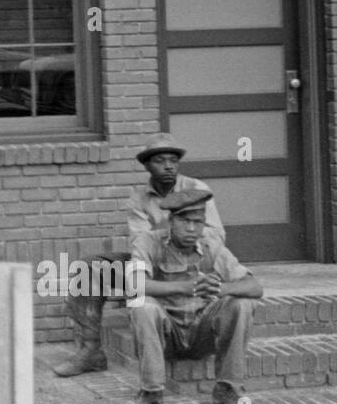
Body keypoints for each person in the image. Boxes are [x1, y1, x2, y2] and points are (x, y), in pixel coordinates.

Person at [52, 133, 225, 377]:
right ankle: (91, 351)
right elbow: (140, 243)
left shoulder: (197, 190)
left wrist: (175, 233)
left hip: (191, 264)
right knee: (87, 267)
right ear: (146, 166)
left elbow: (215, 236)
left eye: (173, 160)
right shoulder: (139, 198)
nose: (168, 166)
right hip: (153, 263)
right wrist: (167, 235)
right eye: (160, 161)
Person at [124, 189, 262, 404]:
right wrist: (187, 287)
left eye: (197, 222)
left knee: (242, 303)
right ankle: (151, 391)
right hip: (166, 336)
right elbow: (134, 285)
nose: (191, 229)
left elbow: (255, 287)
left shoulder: (211, 246)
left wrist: (221, 288)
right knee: (141, 304)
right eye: (184, 221)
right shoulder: (148, 242)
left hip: (202, 332)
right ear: (171, 220)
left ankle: (228, 388)